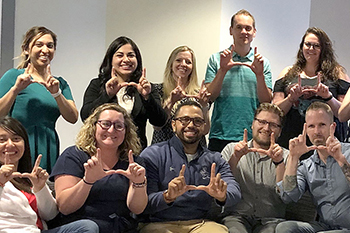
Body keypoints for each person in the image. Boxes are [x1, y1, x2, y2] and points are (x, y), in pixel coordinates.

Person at [139, 99, 241, 233]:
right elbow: (143, 202)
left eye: (197, 121)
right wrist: (167, 196)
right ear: (174, 125)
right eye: (185, 119)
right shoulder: (153, 154)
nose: (191, 125)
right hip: (159, 223)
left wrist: (222, 196)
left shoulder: (214, 159)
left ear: (204, 127)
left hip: (201, 223)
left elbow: (235, 192)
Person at [50, 103, 148, 233]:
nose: (112, 130)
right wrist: (87, 181)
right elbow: (64, 207)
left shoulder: (134, 162)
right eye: (106, 124)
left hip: (118, 226)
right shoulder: (73, 156)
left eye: (119, 126)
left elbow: (137, 209)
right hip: (82, 227)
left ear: (126, 131)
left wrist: (138, 183)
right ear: (94, 126)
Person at [0, 26, 79, 173]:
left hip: (49, 145)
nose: (45, 50)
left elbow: (73, 117)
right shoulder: (14, 76)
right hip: (19, 146)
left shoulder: (59, 83)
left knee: (44, 190)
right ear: (26, 49)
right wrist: (15, 90)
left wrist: (56, 94)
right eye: (39, 44)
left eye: (50, 46)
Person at [0, 116, 98, 232]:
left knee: (87, 227)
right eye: (2, 140)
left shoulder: (30, 176)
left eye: (16, 139)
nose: (10, 144)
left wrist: (40, 188)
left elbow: (50, 215)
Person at [273, 27, 350, 156]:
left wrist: (328, 97)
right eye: (307, 44)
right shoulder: (287, 73)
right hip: (292, 138)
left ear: (323, 49)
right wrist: (291, 98)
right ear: (302, 46)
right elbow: (275, 112)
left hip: (327, 142)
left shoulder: (338, 73)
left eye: (316, 46)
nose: (311, 49)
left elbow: (343, 114)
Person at [81, 36, 167, 149]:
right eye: (120, 55)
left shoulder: (145, 87)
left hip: (136, 152)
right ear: (111, 59)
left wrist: (147, 97)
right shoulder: (98, 84)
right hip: (103, 150)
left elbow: (159, 121)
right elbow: (85, 116)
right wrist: (107, 95)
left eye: (131, 55)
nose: (126, 60)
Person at [275, 101, 350, 232]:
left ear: (333, 126)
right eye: (311, 126)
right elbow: (288, 196)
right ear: (305, 130)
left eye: (322, 125)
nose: (317, 131)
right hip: (324, 227)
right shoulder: (306, 166)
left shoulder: (348, 152)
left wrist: (341, 160)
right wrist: (293, 157)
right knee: (285, 228)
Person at [204, 9, 272, 152]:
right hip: (220, 134)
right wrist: (222, 70)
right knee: (216, 175)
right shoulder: (216, 59)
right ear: (231, 30)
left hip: (252, 135)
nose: (244, 32)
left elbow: (266, 101)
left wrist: (259, 75)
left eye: (248, 28)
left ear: (254, 32)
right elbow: (209, 97)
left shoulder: (262, 63)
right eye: (239, 27)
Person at [221, 103, 288, 233]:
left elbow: (287, 195)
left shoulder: (287, 156)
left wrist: (279, 162)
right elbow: (221, 185)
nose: (266, 128)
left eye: (273, 125)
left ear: (280, 131)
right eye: (262, 122)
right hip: (236, 217)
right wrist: (235, 157)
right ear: (252, 124)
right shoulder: (231, 149)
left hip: (272, 220)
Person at [151, 45, 210, 145]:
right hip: (163, 149)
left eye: (188, 62)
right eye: (178, 60)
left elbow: (205, 130)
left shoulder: (198, 93)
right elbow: (157, 126)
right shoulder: (157, 90)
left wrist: (204, 106)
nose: (183, 64)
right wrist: (171, 101)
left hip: (193, 150)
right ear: (171, 64)